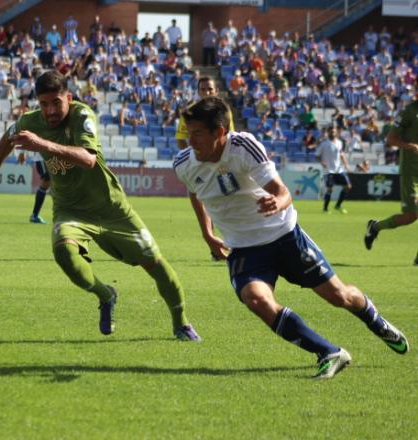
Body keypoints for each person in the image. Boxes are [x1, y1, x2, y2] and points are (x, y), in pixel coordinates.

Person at [174, 97, 409, 379]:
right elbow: (194, 192)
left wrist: (277, 202)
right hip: (244, 249)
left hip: (284, 236)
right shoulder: (184, 164)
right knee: (256, 300)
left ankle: (375, 321)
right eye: (189, 133)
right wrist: (207, 233)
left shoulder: (243, 147)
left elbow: (283, 191)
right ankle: (329, 352)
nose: (191, 141)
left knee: (340, 297)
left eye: (198, 134)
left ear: (219, 132)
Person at [0, 71, 201, 341]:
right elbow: (7, 137)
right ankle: (105, 294)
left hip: (110, 207)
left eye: (56, 103)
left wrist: (41, 144)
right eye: (44, 104)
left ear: (69, 98)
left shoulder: (82, 115)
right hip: (70, 210)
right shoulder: (31, 121)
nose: (50, 110)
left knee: (154, 263)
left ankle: (181, 323)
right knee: (63, 252)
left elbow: (87, 159)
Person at [365, 85, 417, 265]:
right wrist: (411, 146)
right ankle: (376, 227)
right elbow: (391, 139)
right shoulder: (409, 111)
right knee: (412, 215)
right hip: (412, 172)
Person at [316, 126, 351, 213]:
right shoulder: (324, 144)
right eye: (331, 131)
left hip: (339, 170)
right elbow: (317, 156)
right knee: (330, 189)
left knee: (348, 186)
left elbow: (342, 154)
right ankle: (325, 208)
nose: (333, 133)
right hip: (329, 171)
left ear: (336, 133)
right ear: (328, 132)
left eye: (334, 131)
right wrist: (321, 162)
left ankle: (338, 205)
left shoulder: (339, 143)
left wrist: (346, 164)